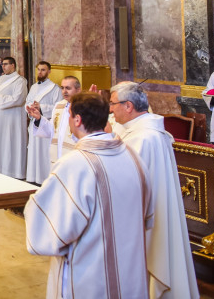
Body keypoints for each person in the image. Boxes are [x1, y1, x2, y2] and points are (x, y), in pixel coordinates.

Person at [25, 93, 154, 298]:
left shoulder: (75, 164)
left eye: (69, 116)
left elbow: (52, 229)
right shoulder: (133, 157)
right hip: (131, 272)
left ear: (77, 120)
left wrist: (33, 205)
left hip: (91, 275)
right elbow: (147, 215)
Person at [110, 82, 199, 299]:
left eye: (112, 104)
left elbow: (126, 185)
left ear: (128, 106)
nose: (110, 110)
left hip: (145, 219)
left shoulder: (143, 138)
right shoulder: (143, 131)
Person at [27, 76, 81, 171]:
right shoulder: (59, 106)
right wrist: (39, 118)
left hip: (73, 157)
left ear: (78, 90)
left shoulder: (83, 107)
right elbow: (51, 130)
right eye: (62, 88)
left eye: (68, 88)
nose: (64, 91)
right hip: (57, 156)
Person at [0, 57, 28, 178]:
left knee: (11, 142)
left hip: (13, 119)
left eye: (5, 64)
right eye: (2, 64)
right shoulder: (0, 79)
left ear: (13, 65)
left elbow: (19, 99)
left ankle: (14, 171)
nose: (3, 67)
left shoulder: (20, 81)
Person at [23, 62, 63, 184]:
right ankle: (33, 178)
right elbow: (27, 101)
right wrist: (30, 108)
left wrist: (41, 107)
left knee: (44, 153)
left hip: (46, 125)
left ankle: (44, 179)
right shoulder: (34, 87)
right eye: (39, 69)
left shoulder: (55, 89)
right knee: (34, 151)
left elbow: (58, 107)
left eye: (43, 70)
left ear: (49, 71)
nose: (40, 72)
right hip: (34, 122)